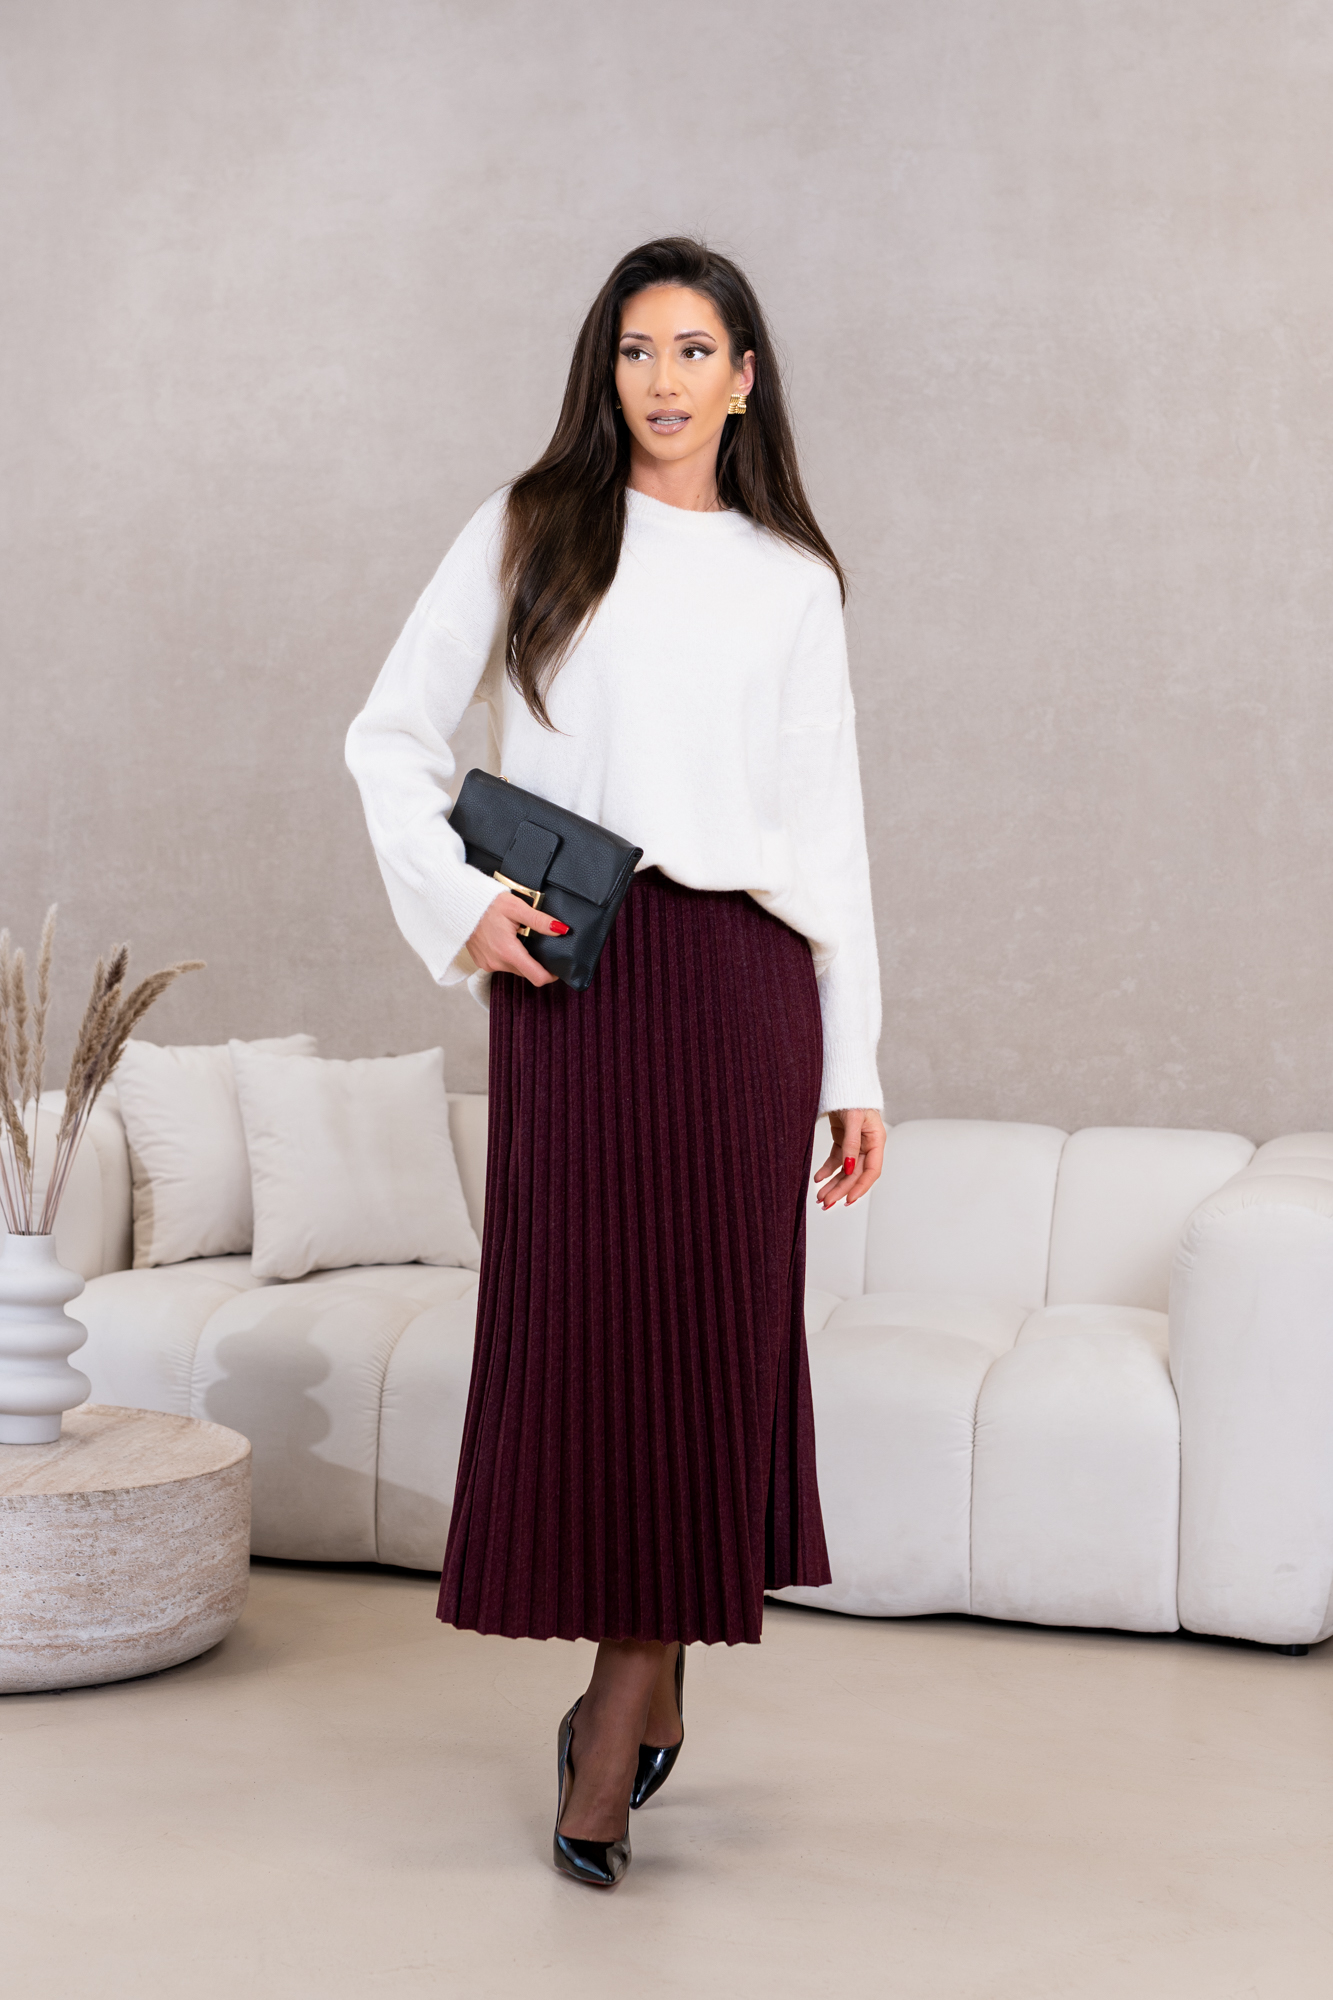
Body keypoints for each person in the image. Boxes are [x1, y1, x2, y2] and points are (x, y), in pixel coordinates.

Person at [346, 236, 886, 1889]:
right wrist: (461, 910)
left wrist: (854, 1061)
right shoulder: (531, 527)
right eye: (637, 349)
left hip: (740, 990)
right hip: (573, 982)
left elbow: (828, 835)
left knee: (710, 1350)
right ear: (607, 370)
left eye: (694, 349)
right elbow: (386, 736)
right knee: (592, 1346)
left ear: (744, 379)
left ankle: (616, 1715)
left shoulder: (792, 582)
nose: (663, 378)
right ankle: (638, 1684)